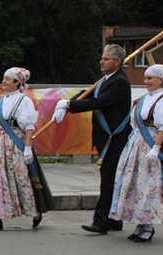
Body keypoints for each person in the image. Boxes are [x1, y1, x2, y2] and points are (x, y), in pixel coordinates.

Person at [54, 44, 132, 235]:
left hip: (115, 138)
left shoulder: (120, 82)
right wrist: (67, 104)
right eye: (102, 58)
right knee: (110, 178)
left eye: (106, 59)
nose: (101, 61)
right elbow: (88, 94)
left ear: (117, 61)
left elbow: (99, 102)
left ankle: (101, 222)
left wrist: (70, 104)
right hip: (105, 137)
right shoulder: (105, 78)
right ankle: (114, 219)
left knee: (108, 179)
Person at [0, 67, 53, 230]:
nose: (4, 81)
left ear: (18, 82)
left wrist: (27, 147)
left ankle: (34, 210)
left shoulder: (23, 100)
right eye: (3, 78)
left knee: (18, 177)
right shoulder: (0, 100)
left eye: (8, 79)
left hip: (13, 145)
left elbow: (28, 126)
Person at [109, 64, 163, 242]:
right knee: (135, 183)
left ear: (160, 80)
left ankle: (148, 226)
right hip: (136, 144)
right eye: (145, 78)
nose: (146, 82)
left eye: (150, 78)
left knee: (149, 185)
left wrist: (155, 148)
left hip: (152, 143)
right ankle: (140, 223)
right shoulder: (144, 98)